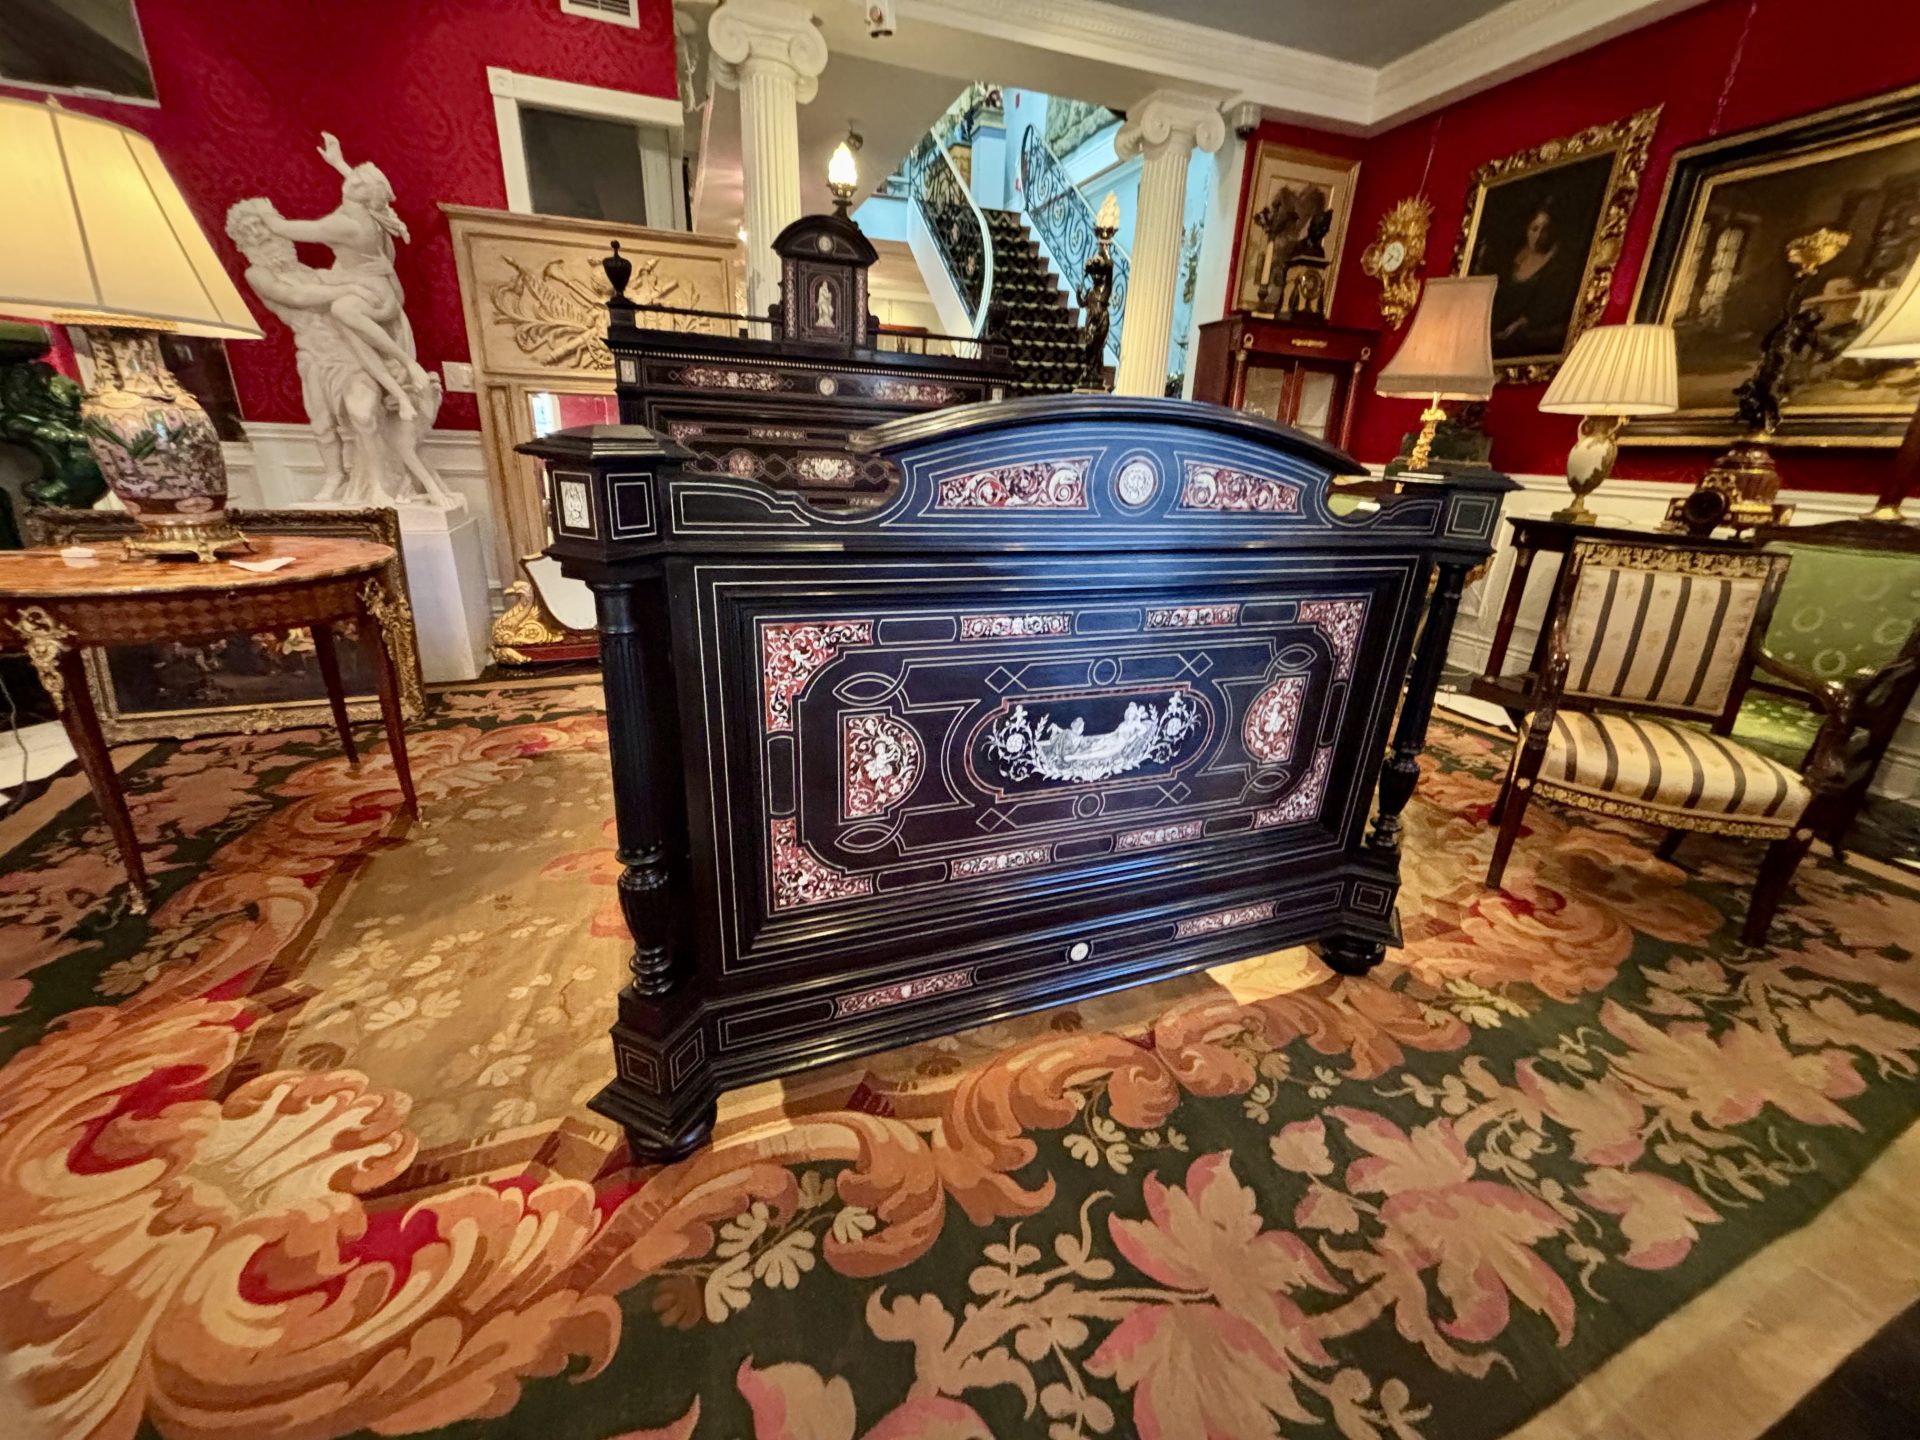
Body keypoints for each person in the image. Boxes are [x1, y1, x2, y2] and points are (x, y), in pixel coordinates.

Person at [259, 134, 432, 419]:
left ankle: (406, 367)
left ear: (360, 191)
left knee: (342, 310)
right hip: (382, 286)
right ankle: (400, 393)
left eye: (357, 180)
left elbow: (292, 231)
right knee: (355, 337)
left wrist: (265, 217)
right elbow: (364, 187)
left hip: (374, 293)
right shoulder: (371, 212)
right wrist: (338, 163)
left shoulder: (345, 225)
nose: (351, 180)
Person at [1488, 202, 1579, 358]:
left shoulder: (1558, 266)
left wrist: (1525, 321)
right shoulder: (1512, 259)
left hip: (1530, 337)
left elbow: (1553, 306)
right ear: (1527, 230)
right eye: (1535, 229)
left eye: (1544, 230)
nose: (1538, 235)